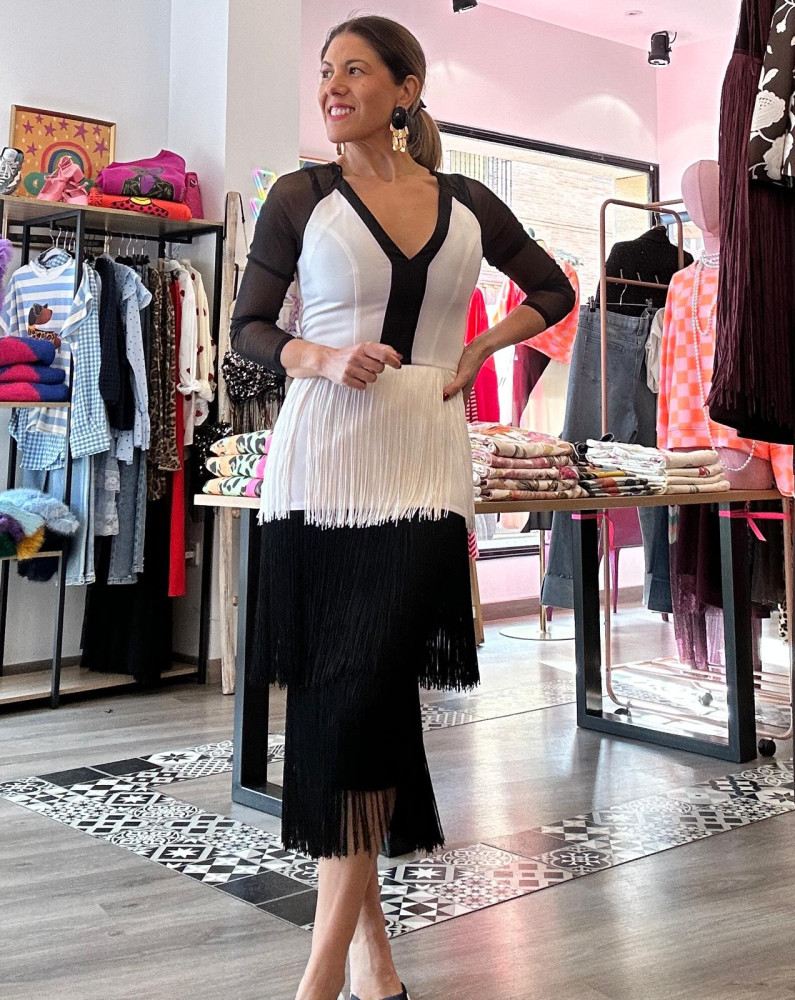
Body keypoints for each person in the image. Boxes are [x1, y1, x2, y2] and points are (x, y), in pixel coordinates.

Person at [230, 15, 575, 1000]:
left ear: (405, 88)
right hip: (321, 466)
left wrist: (480, 348)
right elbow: (249, 328)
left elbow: (553, 290)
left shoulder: (467, 203)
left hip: (424, 462)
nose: (332, 86)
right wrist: (318, 354)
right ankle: (369, 967)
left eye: (354, 69)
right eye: (324, 71)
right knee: (347, 704)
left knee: (368, 693)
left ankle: (320, 977)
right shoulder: (301, 197)